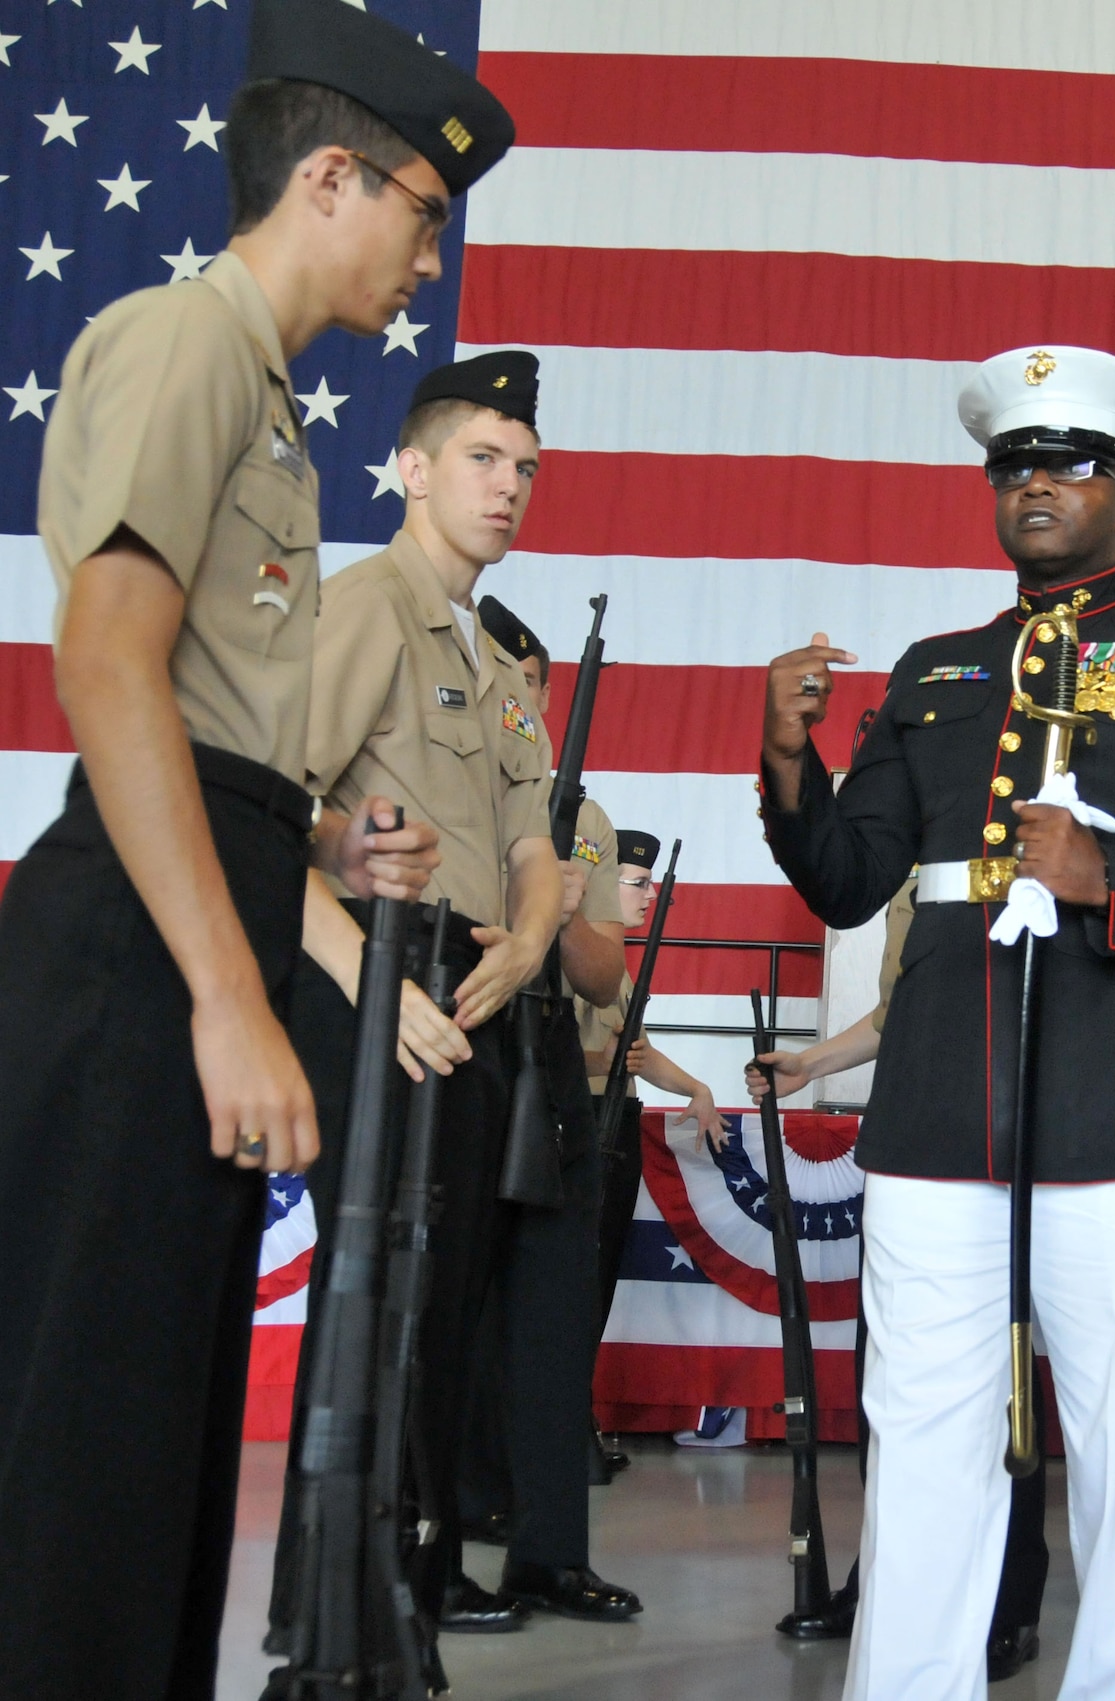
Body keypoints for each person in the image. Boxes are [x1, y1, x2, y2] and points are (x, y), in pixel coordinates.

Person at [0, 0, 507, 1691]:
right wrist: (232, 993)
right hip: (135, 939)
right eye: (425, 214)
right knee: (84, 1434)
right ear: (334, 179)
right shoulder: (186, 342)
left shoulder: (270, 401)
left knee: (159, 1425)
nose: (430, 260)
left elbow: (214, 720)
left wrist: (323, 853)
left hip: (204, 880)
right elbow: (109, 658)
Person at [758, 344, 1115, 1701]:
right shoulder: (937, 667)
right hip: (950, 1090)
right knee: (921, 1421)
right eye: (1014, 463)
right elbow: (850, 875)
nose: (1037, 484)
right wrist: (791, 755)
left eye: (1070, 463)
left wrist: (1109, 883)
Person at [266, 349, 565, 1657]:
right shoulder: (362, 609)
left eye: (527, 470)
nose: (509, 489)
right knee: (378, 1318)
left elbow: (535, 855)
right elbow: (269, 818)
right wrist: (370, 985)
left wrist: (528, 946)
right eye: (484, 461)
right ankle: (335, 1626)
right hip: (383, 990)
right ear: (411, 468)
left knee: (442, 1331)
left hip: (474, 1001)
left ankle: (409, 1609)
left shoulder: (494, 667)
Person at [748, 877, 1051, 1682]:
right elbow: (897, 1013)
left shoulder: (1006, 837)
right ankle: (889, 1582)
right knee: (896, 1386)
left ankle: (1007, 1601)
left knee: (1000, 1383)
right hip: (914, 1128)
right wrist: (808, 1063)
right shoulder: (915, 868)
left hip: (999, 1128)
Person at [447, 598, 643, 1620]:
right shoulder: (441, 802)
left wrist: (563, 912)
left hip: (554, 1064)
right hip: (458, 1044)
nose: (514, 705)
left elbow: (606, 977)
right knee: (443, 1318)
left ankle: (550, 1554)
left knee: (555, 1318)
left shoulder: (588, 819)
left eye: (526, 686)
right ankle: (427, 1554)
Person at [590, 824, 727, 1371]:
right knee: (578, 1275)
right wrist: (600, 1063)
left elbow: (636, 1052)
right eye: (638, 883)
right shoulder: (575, 952)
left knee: (600, 1275)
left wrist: (696, 1087)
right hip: (578, 1123)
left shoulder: (615, 962)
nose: (650, 897)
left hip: (616, 1120)